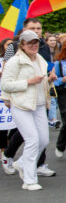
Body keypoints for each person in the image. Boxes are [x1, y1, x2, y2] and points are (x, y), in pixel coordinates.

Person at [1, 30, 55, 190]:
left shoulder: (40, 59)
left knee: (44, 140)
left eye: (36, 42)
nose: (34, 45)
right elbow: (5, 84)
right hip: (21, 105)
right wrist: (28, 82)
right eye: (30, 42)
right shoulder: (14, 61)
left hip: (38, 104)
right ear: (23, 45)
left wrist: (50, 80)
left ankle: (21, 163)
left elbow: (43, 82)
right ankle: (29, 180)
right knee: (32, 140)